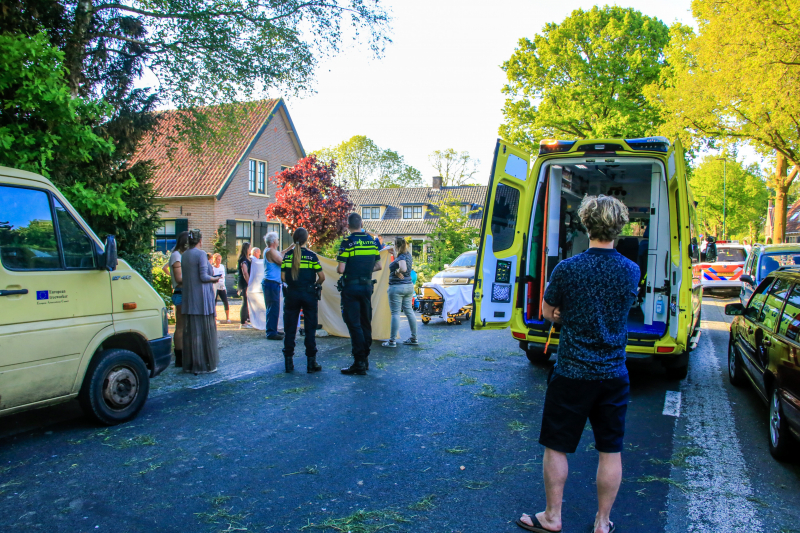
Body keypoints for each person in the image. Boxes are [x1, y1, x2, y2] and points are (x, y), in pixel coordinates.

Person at [516, 195, 639, 533]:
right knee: (610, 449)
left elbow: (547, 311)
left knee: (557, 446)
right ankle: (602, 522)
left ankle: (552, 517)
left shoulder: (567, 269)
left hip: (572, 371)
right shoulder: (631, 270)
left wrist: (562, 313)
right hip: (613, 373)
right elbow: (623, 308)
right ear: (620, 226)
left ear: (586, 224)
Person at [337, 213, 382, 375]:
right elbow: (378, 266)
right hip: (366, 287)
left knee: (354, 324)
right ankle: (365, 358)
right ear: (361, 224)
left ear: (348, 226)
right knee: (365, 322)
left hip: (351, 288)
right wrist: (365, 270)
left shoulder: (348, 242)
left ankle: (359, 362)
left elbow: (341, 269)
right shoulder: (371, 241)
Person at [281, 228, 325, 373]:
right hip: (309, 294)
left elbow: (283, 277)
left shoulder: (287, 256)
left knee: (290, 328)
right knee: (310, 328)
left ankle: (288, 363)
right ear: (307, 239)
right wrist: (315, 284)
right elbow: (322, 277)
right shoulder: (312, 256)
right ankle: (311, 363)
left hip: (292, 294)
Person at [181, 229, 222, 374]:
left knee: (192, 332)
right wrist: (215, 279)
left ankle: (191, 364)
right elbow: (203, 277)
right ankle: (206, 364)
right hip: (201, 297)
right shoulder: (201, 254)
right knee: (204, 331)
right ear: (200, 240)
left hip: (189, 296)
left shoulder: (184, 255)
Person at [382, 236, 418, 348]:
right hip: (408, 286)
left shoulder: (401, 257)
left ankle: (392, 341)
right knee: (409, 312)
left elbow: (403, 268)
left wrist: (397, 271)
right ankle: (414, 338)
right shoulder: (407, 255)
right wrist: (394, 254)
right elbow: (401, 262)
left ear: (396, 245)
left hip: (397, 287)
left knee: (395, 313)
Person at [262, 232, 294, 340]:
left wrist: (292, 246)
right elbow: (282, 262)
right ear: (274, 241)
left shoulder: (270, 250)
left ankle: (273, 330)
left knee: (274, 308)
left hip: (271, 283)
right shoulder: (270, 251)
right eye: (277, 240)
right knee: (273, 308)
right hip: (271, 283)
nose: (278, 241)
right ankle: (271, 332)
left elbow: (281, 253)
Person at [164, 231, 189, 367]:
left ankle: (184, 354)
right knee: (180, 326)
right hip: (181, 292)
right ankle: (179, 357)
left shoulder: (180, 255)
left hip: (184, 292)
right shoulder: (176, 255)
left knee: (184, 326)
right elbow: (179, 278)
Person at [211, 253, 230, 323]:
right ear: (215, 260)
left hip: (222, 286)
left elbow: (223, 276)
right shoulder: (212, 268)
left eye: (220, 259)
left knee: (225, 301)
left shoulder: (222, 266)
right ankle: (215, 317)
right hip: (215, 286)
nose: (219, 261)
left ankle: (228, 318)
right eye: (218, 259)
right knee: (214, 302)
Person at [237, 242, 252, 328]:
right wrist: (249, 282)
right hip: (244, 283)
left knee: (246, 302)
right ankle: (243, 322)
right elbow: (245, 272)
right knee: (245, 302)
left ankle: (245, 320)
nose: (251, 249)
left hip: (244, 283)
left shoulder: (246, 259)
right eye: (250, 248)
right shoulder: (244, 260)